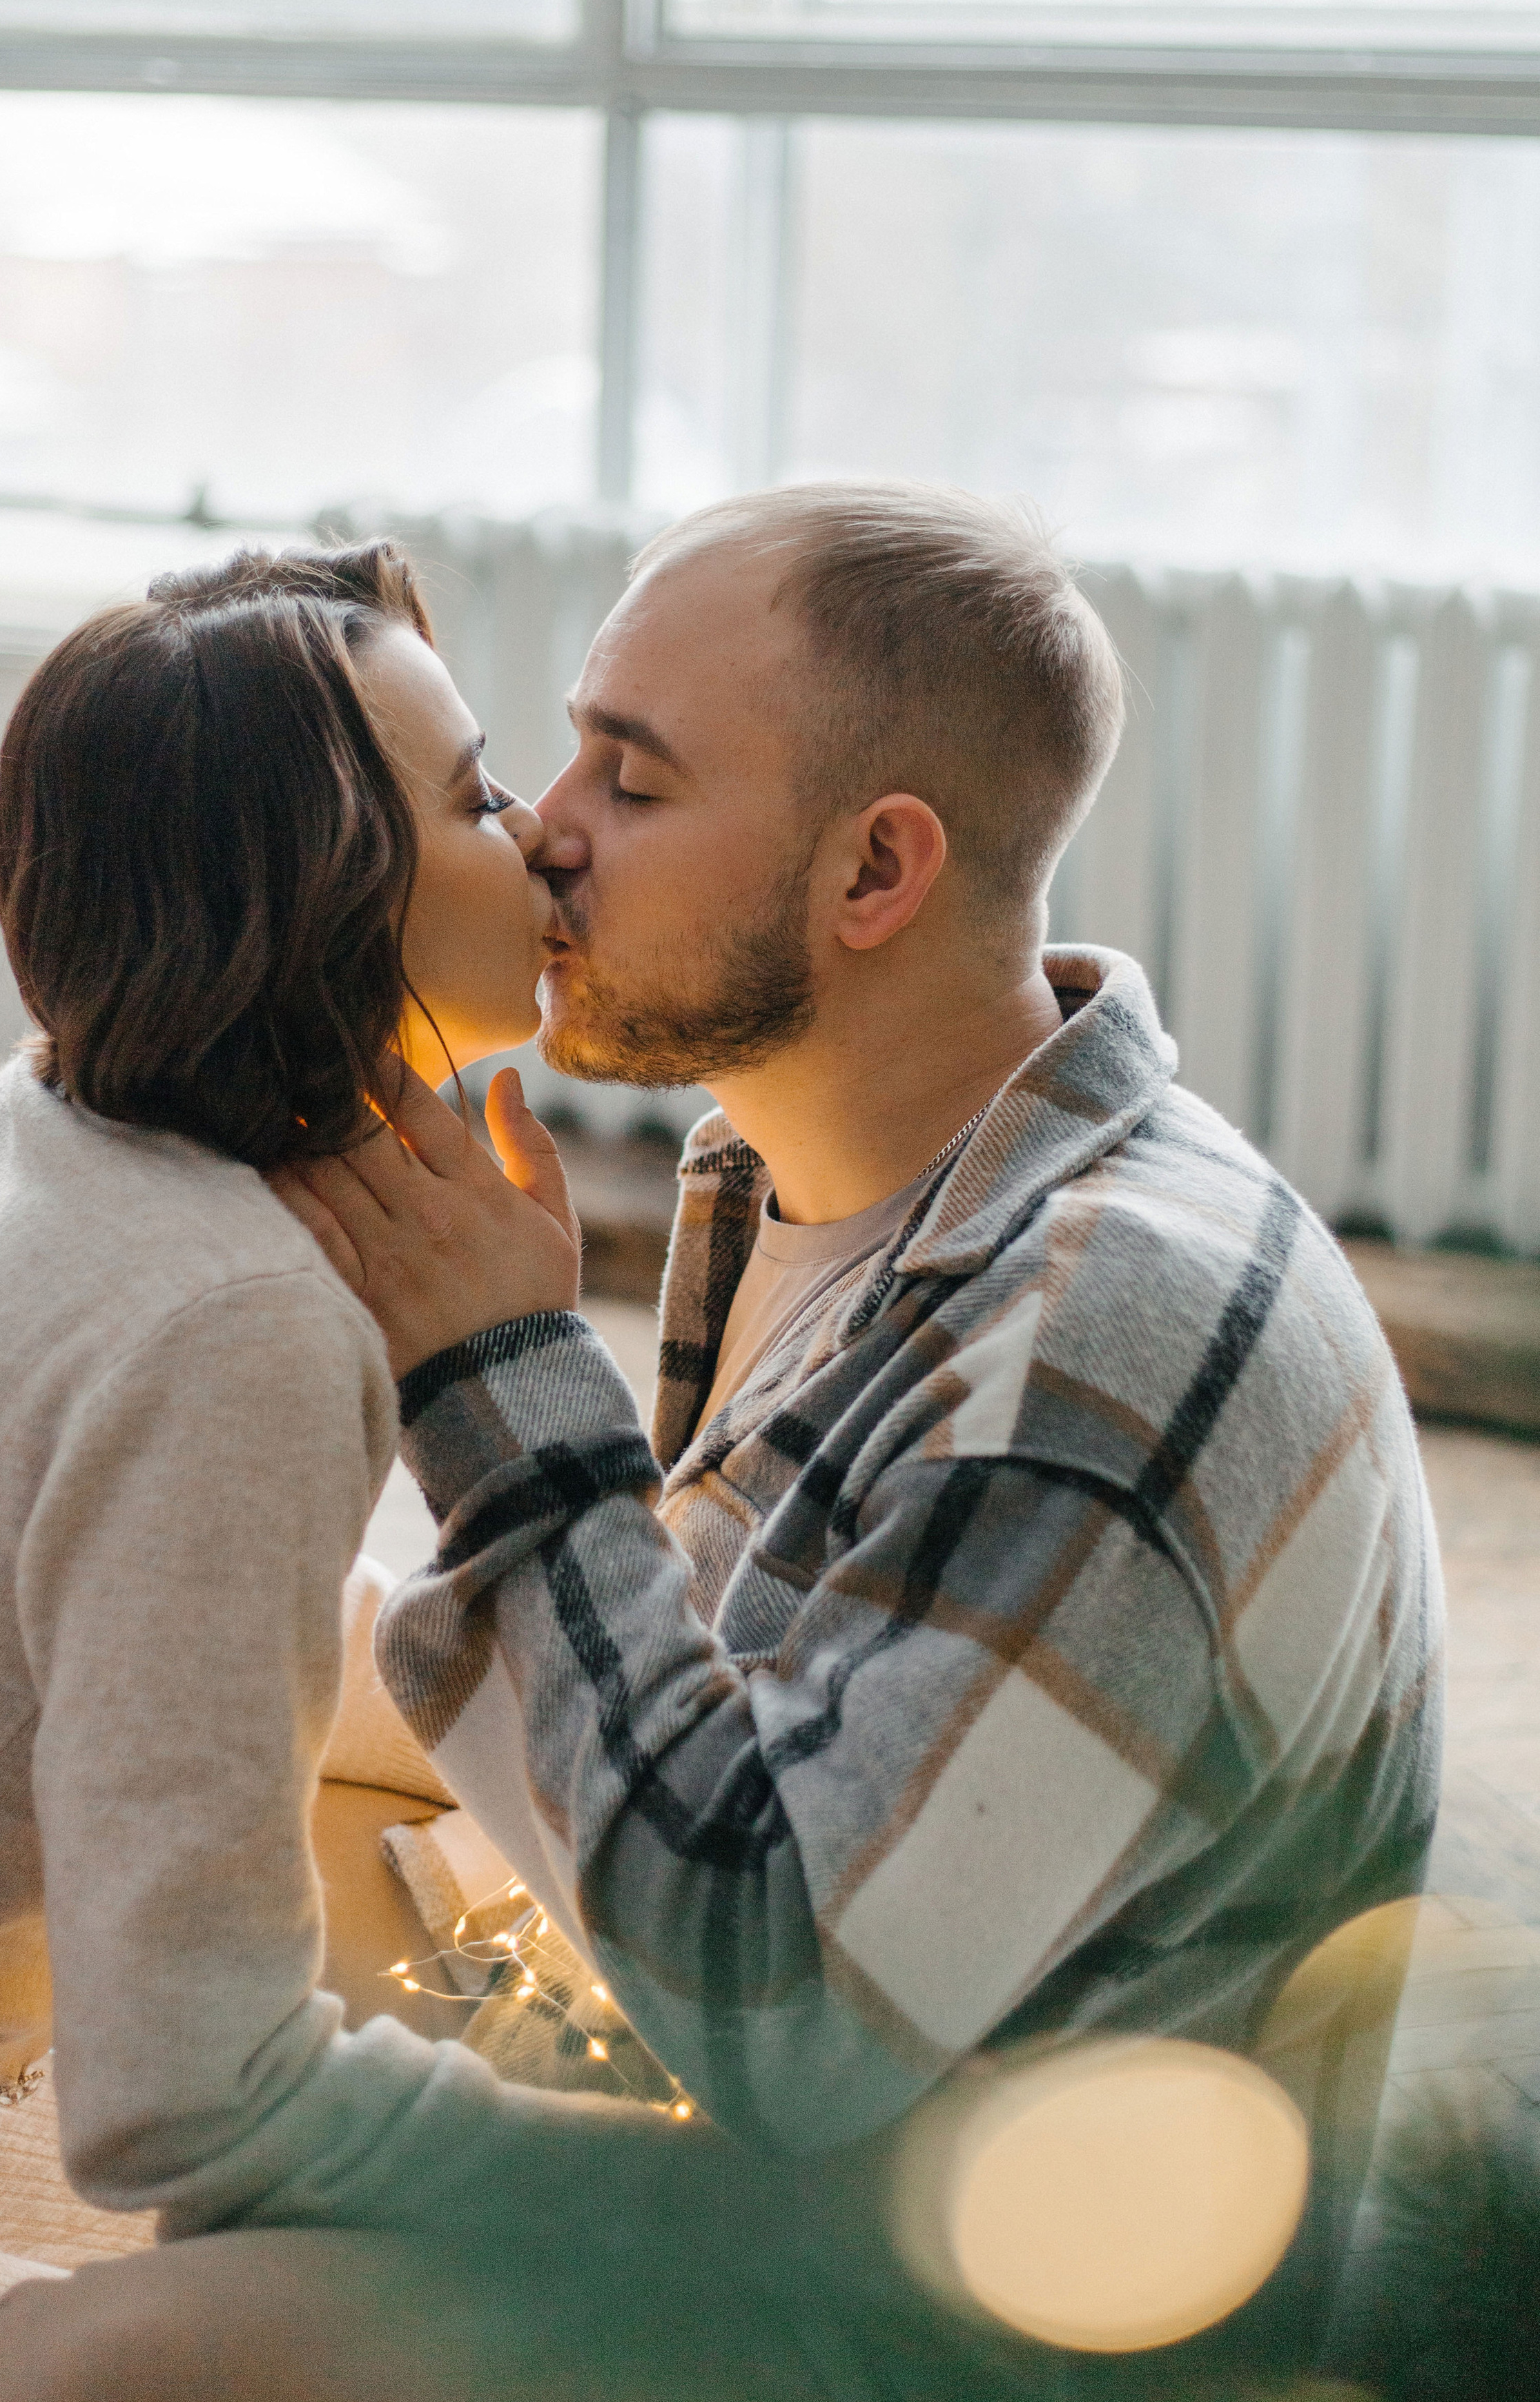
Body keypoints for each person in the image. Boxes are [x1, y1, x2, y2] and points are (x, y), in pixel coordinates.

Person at [298, 482, 1443, 2158]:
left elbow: (777, 2011)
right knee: (147, 1819)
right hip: (779, 2122)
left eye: (632, 777)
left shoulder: (1103, 1334)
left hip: (947, 2355)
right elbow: (696, 1690)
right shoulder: (803, 1174)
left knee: (95, 2346)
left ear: (876, 869)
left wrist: (495, 1389)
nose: (544, 828)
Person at [0, 540, 727, 2393]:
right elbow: (195, 2111)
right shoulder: (232, 1321)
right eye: (471, 799)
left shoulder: (56, 1107)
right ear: (324, 896)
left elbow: (149, 1615)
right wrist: (709, 2209)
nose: (537, 838)